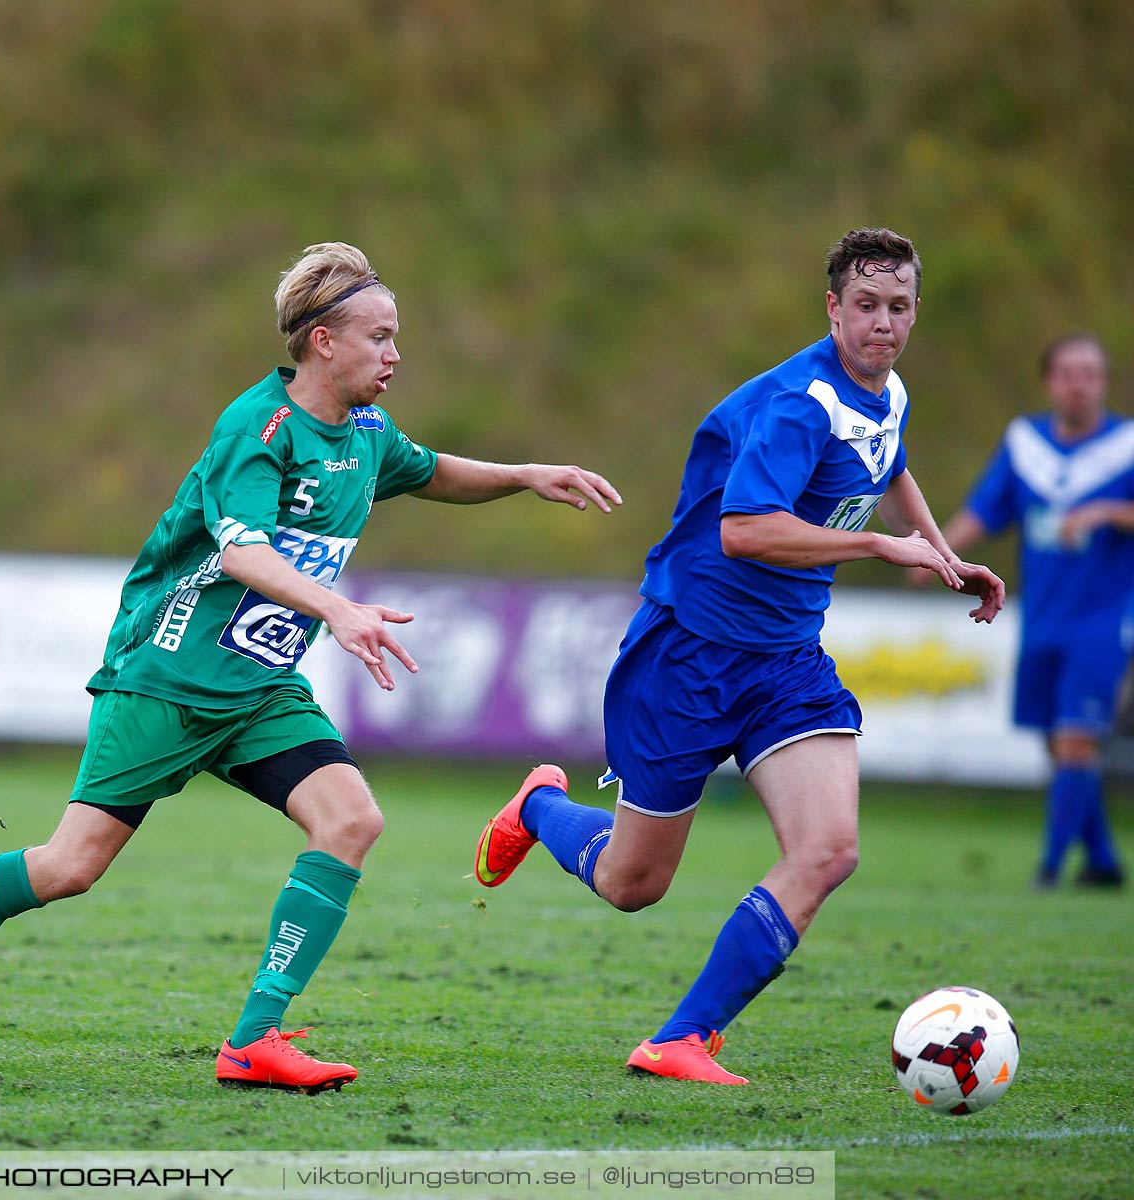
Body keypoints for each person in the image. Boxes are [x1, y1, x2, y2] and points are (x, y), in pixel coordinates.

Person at [0, 242, 622, 1092]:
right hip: (167, 677)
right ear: (322, 341)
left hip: (260, 689)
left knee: (350, 821)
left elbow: (431, 473)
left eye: (396, 338)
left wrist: (526, 474)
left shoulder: (369, 434)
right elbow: (241, 554)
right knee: (68, 868)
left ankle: (254, 1039)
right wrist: (337, 607)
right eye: (379, 337)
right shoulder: (257, 429)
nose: (394, 355)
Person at [472, 228, 1006, 1085]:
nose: (883, 323)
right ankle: (539, 807)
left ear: (914, 312)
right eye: (865, 306)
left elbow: (889, 463)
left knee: (829, 850)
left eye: (898, 307)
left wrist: (939, 554)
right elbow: (744, 529)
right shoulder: (802, 403)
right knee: (632, 883)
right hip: (692, 652)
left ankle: (683, 1037)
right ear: (832, 310)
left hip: (787, 660)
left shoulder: (887, 390)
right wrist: (881, 551)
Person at [937, 333, 1134, 888]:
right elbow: (985, 509)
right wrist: (936, 554)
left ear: (1104, 381)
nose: (1079, 383)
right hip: (1043, 619)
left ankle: (1047, 871)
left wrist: (1105, 513)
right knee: (1058, 743)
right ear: (1050, 381)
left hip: (1103, 622)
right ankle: (1102, 862)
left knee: (1077, 739)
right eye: (1069, 372)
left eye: (1090, 373)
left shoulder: (1126, 445)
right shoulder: (1026, 444)